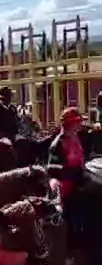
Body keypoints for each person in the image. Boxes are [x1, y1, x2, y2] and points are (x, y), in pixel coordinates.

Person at [48, 107, 85, 251]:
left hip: (78, 182)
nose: (80, 124)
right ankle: (70, 250)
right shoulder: (58, 143)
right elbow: (52, 169)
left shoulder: (75, 138)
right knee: (73, 218)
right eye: (77, 121)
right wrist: (74, 173)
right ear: (70, 123)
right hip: (66, 188)